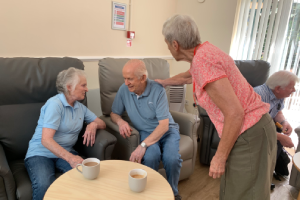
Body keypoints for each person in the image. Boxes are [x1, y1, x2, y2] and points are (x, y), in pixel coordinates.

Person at [156, 14, 277, 200]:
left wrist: (219, 157)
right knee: (234, 190)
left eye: (166, 43)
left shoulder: (202, 61)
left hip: (249, 132)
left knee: (244, 194)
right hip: (254, 128)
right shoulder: (204, 52)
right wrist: (164, 82)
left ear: (175, 44)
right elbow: (189, 76)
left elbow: (235, 114)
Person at [25, 67, 106, 200]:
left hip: (65, 151)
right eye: (83, 85)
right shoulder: (55, 105)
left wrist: (94, 124)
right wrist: (71, 158)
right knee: (44, 184)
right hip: (41, 153)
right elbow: (46, 140)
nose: (87, 89)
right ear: (69, 87)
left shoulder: (80, 107)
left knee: (86, 177)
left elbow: (102, 123)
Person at [110, 59, 182, 200]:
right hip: (146, 131)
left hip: (167, 131)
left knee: (171, 158)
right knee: (150, 157)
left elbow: (163, 126)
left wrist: (143, 145)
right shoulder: (124, 90)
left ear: (143, 78)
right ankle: (148, 194)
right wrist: (120, 121)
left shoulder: (158, 90)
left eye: (130, 79)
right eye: (124, 78)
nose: (126, 83)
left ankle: (173, 193)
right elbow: (113, 113)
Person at [254, 71, 299, 162]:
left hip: (265, 127)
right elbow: (254, 127)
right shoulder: (259, 96)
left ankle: (271, 167)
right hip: (252, 131)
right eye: (291, 87)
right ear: (278, 88)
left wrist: (284, 122)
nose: (294, 90)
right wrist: (279, 137)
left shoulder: (279, 94)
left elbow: (278, 112)